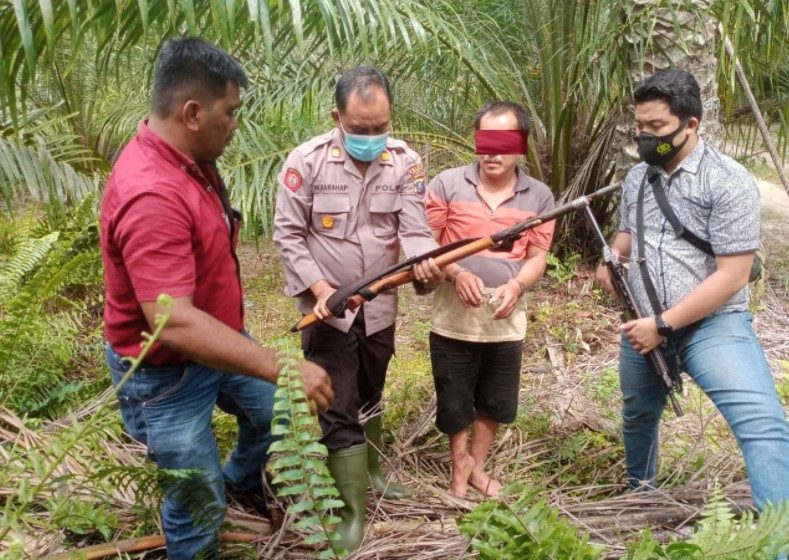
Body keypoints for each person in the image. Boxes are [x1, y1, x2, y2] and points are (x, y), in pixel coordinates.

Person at [100, 37, 333, 559]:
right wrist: (285, 367)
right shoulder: (152, 194)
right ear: (192, 112)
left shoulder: (189, 157)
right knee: (196, 505)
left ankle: (237, 481)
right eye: (230, 112)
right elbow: (174, 323)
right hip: (166, 374)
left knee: (279, 415)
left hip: (218, 343)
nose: (235, 124)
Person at [595, 68, 789, 510]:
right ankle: (641, 498)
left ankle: (778, 543)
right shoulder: (637, 177)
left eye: (657, 128)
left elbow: (732, 275)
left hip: (712, 327)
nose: (645, 137)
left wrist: (663, 325)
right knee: (639, 417)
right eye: (639, 127)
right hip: (643, 326)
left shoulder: (729, 180)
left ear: (691, 125)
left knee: (762, 424)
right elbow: (629, 234)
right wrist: (611, 257)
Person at [273, 65, 442, 551]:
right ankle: (350, 513)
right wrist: (323, 289)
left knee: (371, 385)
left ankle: (371, 468)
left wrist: (422, 262)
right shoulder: (306, 162)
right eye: (360, 129)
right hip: (328, 308)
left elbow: (413, 228)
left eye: (380, 127)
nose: (372, 138)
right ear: (336, 117)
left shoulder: (406, 162)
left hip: (381, 304)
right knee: (337, 400)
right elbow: (288, 235)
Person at [425, 101, 555, 498]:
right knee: (454, 399)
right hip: (453, 321)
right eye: (486, 140)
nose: (493, 152)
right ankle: (459, 462)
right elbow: (427, 244)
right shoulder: (446, 184)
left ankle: (476, 466)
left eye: (504, 141)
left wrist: (516, 286)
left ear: (522, 145)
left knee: (495, 401)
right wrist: (457, 271)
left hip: (505, 322)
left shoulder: (540, 197)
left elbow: (537, 257)